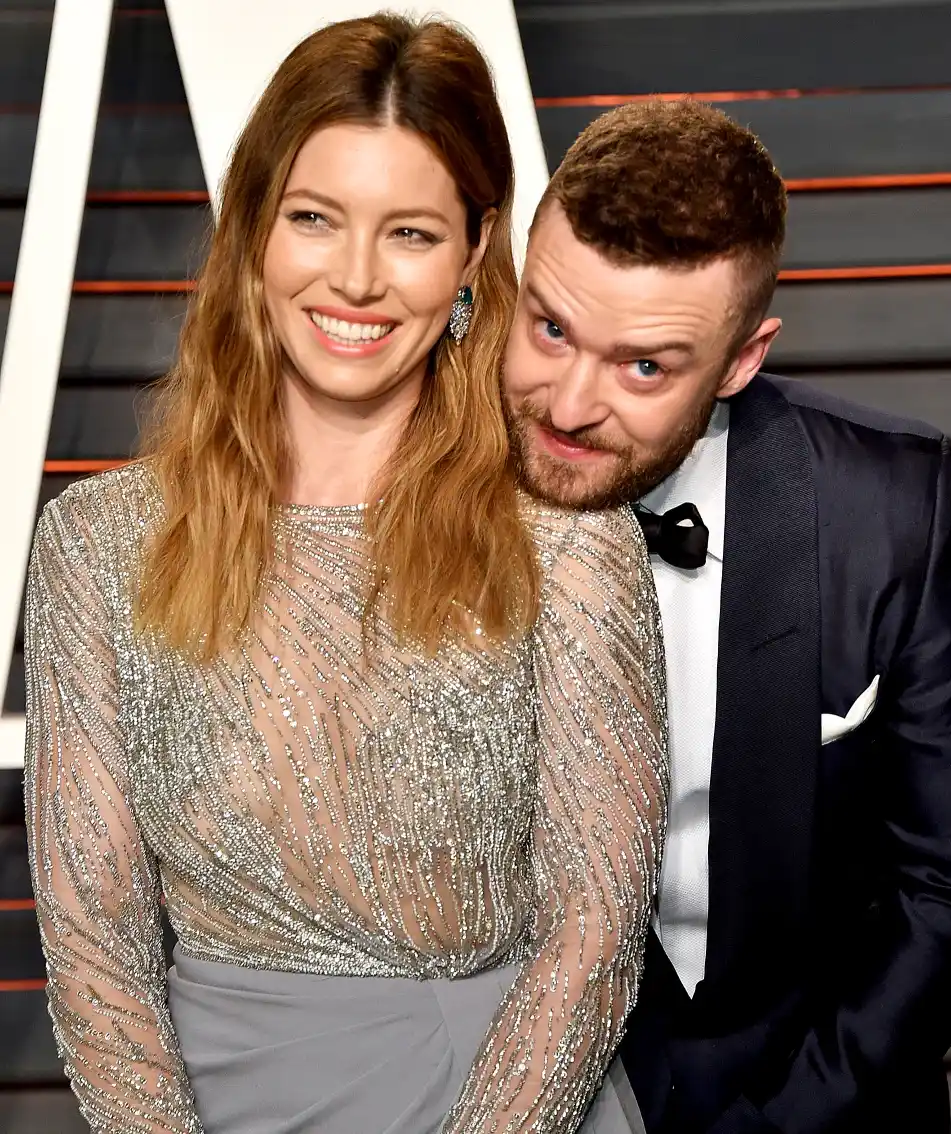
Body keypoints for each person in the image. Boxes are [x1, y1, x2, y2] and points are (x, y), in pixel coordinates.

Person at [22, 15, 667, 1134]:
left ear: (473, 255)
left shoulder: (566, 545)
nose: (357, 280)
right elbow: (94, 941)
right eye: (316, 220)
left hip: (501, 1102)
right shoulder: (96, 544)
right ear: (253, 234)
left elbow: (593, 929)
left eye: (410, 233)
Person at [502, 99, 951, 1133]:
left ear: (740, 361)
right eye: (549, 327)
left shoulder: (890, 505)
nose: (567, 403)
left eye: (644, 365)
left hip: (823, 1094)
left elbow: (950, 885)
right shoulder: (407, 491)